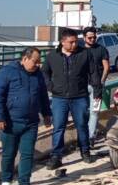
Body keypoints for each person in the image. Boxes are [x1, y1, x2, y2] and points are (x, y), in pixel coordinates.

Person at [0, 47, 52, 185]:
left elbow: (43, 95)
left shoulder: (38, 75)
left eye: (39, 62)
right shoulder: (8, 72)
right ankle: (6, 180)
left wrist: (46, 114)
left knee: (27, 154)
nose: (38, 65)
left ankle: (24, 184)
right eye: (35, 61)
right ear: (24, 59)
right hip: (11, 122)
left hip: (31, 122)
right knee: (8, 153)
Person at [42, 28, 99, 169]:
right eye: (71, 42)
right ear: (62, 42)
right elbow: (44, 73)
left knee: (82, 125)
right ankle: (56, 156)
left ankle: (85, 151)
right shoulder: (51, 56)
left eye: (76, 41)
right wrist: (51, 87)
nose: (74, 44)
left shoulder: (85, 54)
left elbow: (94, 73)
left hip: (79, 97)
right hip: (59, 98)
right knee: (58, 127)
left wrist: (97, 91)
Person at [80, 27, 109, 147]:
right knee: (81, 112)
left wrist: (101, 82)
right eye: (89, 37)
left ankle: (90, 137)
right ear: (84, 37)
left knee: (94, 112)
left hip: (96, 87)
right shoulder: (79, 50)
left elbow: (106, 67)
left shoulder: (101, 49)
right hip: (81, 86)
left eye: (94, 37)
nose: (92, 39)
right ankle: (82, 137)